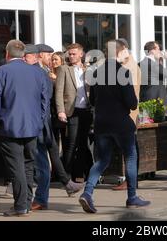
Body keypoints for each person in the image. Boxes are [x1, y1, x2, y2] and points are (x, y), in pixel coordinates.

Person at [79, 40, 150, 213]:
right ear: (121, 52)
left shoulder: (96, 73)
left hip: (102, 122)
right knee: (130, 157)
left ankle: (87, 192)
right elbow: (132, 103)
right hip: (121, 123)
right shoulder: (123, 73)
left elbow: (93, 100)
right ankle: (132, 197)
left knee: (102, 160)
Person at [0, 40, 48, 217]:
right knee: (28, 165)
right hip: (32, 126)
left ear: (7, 54)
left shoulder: (0, 72)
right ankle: (26, 202)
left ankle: (21, 205)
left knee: (17, 167)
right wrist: (40, 121)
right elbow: (44, 100)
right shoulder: (38, 72)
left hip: (9, 127)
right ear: (22, 54)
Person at [26, 44, 84, 211]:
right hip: (43, 122)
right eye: (48, 56)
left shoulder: (42, 72)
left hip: (40, 123)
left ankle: (40, 198)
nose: (50, 59)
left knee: (41, 162)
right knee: (44, 159)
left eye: (52, 57)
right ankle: (64, 184)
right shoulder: (41, 72)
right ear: (40, 55)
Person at [55, 43, 93, 181]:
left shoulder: (88, 69)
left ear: (81, 55)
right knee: (71, 143)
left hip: (86, 110)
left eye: (73, 54)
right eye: (69, 54)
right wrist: (61, 111)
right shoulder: (64, 69)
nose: (71, 56)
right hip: (72, 110)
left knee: (83, 143)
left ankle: (79, 173)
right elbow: (58, 92)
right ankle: (67, 175)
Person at [111, 38, 141, 191]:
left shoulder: (128, 66)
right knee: (129, 148)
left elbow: (130, 93)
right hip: (128, 112)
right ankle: (131, 180)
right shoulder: (129, 64)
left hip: (128, 112)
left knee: (129, 149)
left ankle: (131, 181)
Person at [139, 41, 167, 106]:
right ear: (152, 51)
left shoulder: (140, 63)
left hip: (145, 99)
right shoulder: (153, 64)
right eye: (158, 49)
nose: (160, 52)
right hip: (156, 101)